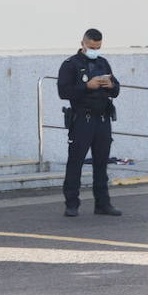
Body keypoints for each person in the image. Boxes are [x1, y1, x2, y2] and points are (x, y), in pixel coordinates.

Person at [57, 28, 121, 217]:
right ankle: (72, 204)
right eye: (91, 46)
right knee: (75, 163)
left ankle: (103, 204)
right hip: (82, 120)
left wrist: (111, 86)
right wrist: (86, 86)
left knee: (101, 163)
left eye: (98, 47)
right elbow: (63, 92)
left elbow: (116, 89)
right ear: (83, 43)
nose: (95, 50)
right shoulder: (70, 64)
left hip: (102, 119)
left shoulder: (103, 63)